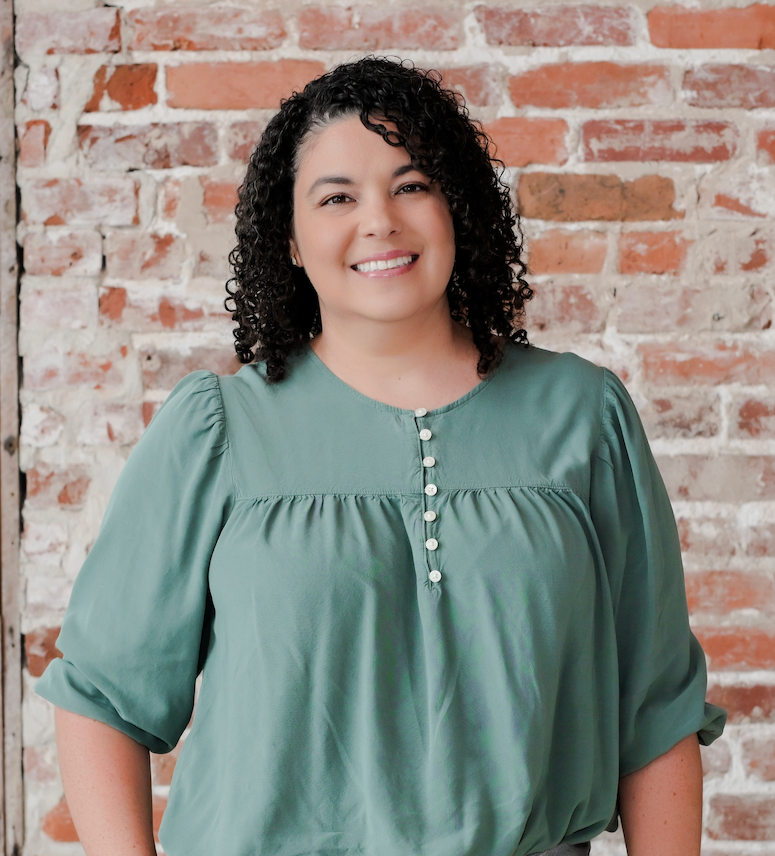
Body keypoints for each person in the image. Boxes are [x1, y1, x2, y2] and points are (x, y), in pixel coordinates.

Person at [37, 57, 725, 856]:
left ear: (456, 207)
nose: (379, 222)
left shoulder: (583, 417)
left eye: (411, 185)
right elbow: (98, 696)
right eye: (336, 197)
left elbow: (656, 713)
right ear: (290, 239)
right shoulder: (217, 431)